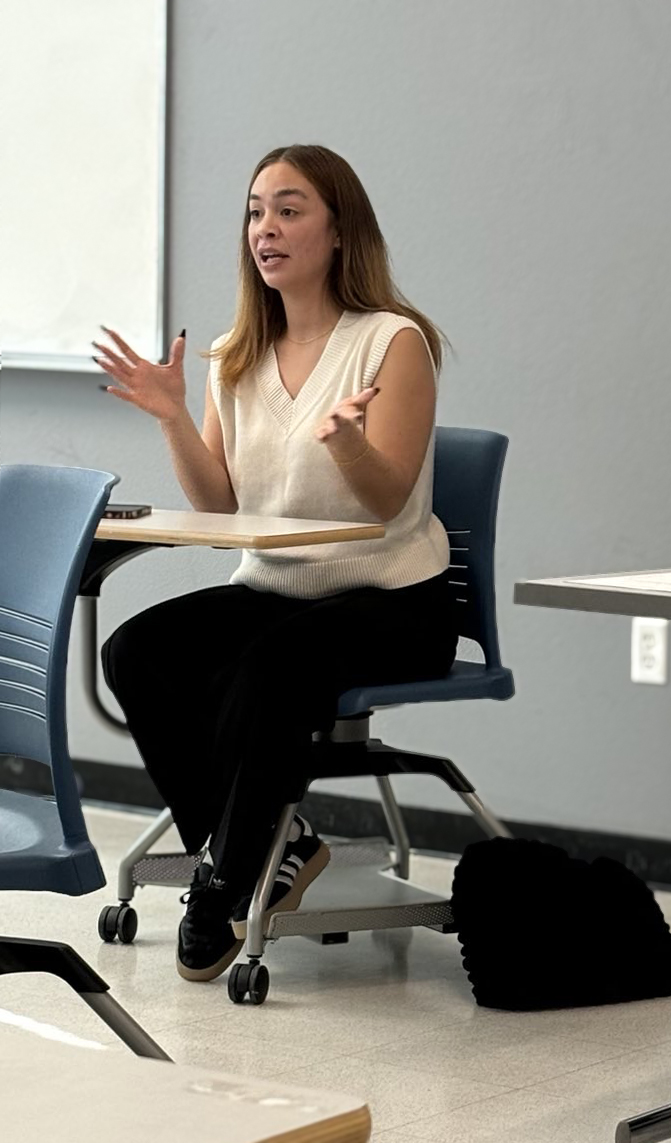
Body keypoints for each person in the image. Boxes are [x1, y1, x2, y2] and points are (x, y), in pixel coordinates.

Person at [96, 144, 458, 983]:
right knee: (135, 650)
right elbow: (222, 506)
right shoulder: (237, 352)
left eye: (290, 209)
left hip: (395, 600)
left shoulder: (392, 343)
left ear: (339, 231)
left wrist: (347, 442)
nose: (267, 227)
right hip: (279, 590)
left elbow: (384, 501)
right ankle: (275, 843)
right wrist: (172, 415)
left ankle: (226, 880)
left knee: (265, 667)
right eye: (257, 210)